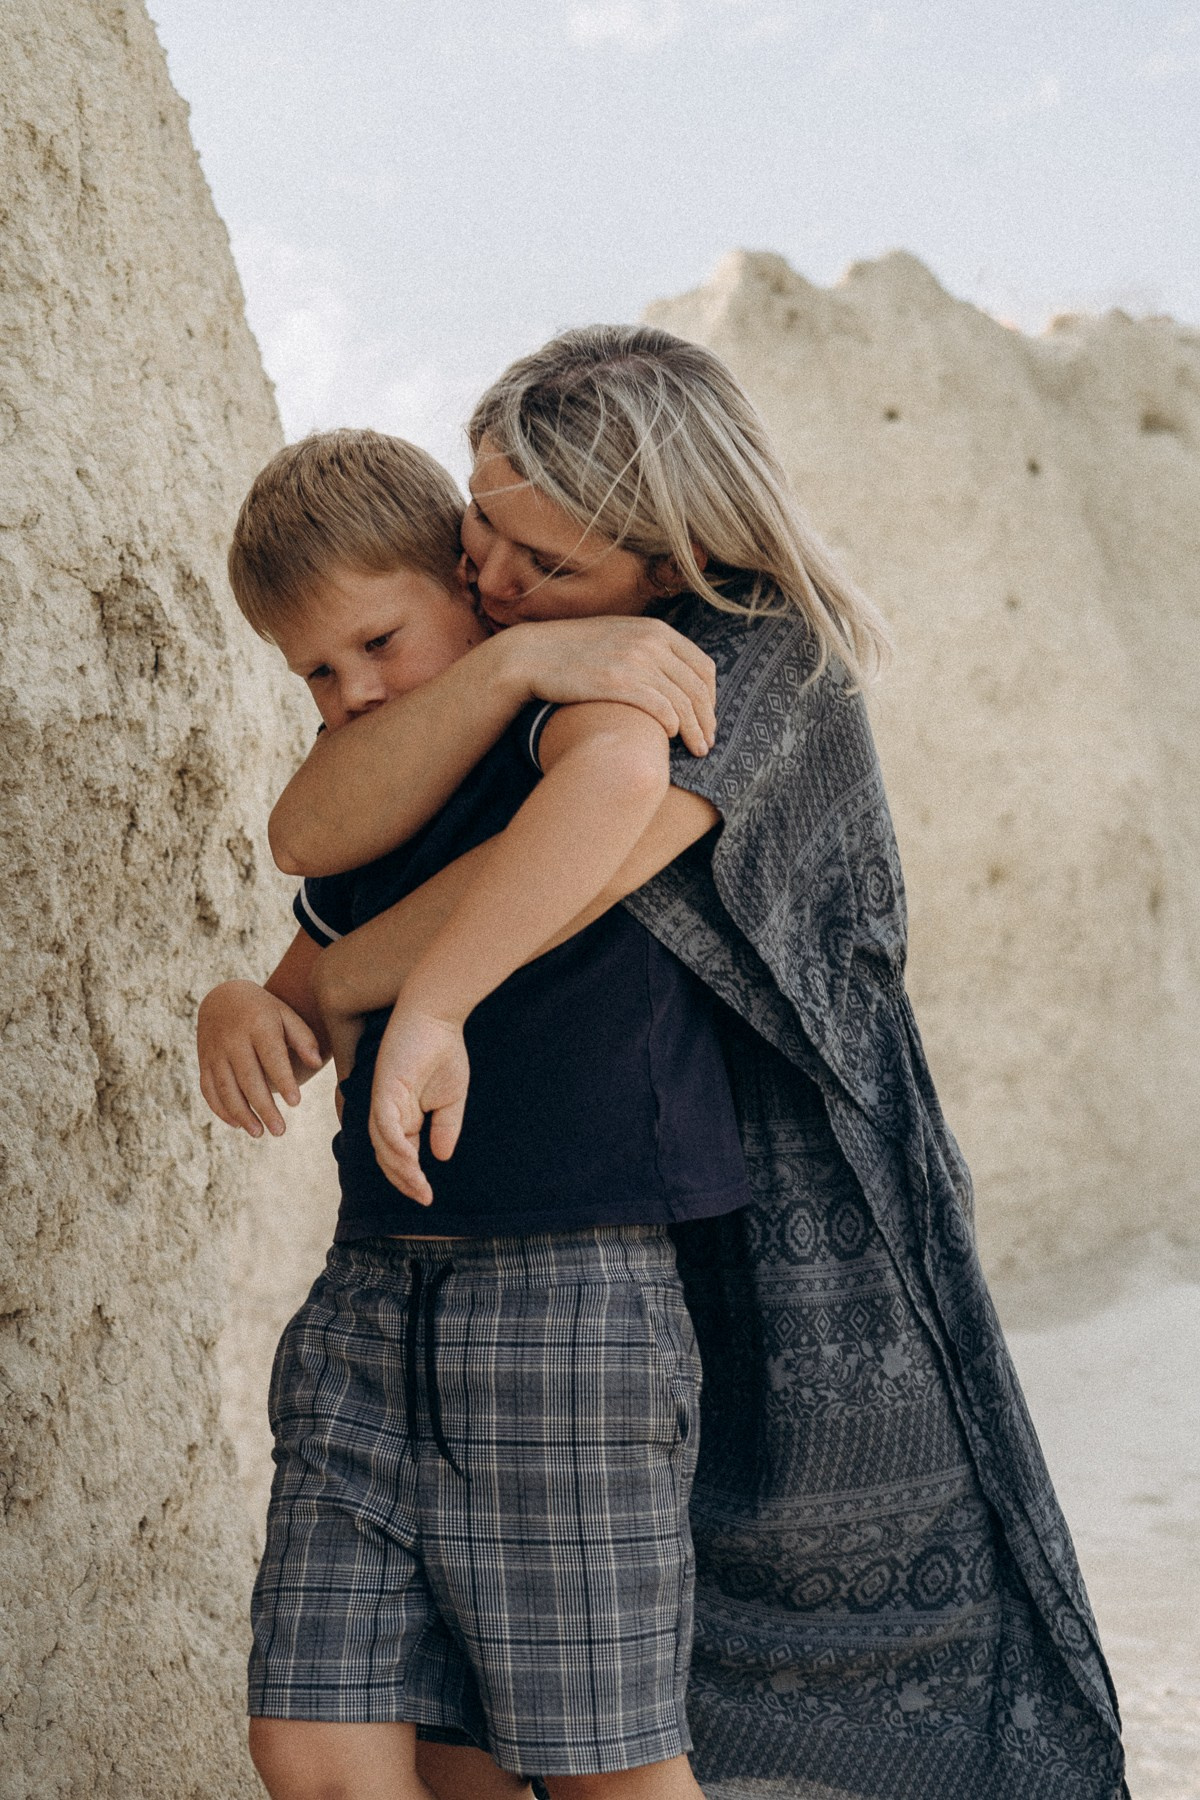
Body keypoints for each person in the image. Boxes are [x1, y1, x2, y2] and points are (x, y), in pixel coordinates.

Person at [272, 327, 1130, 1800]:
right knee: (494, 1674)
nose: (492, 575)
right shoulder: (532, 656)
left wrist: (354, 983)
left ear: (672, 554)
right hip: (569, 1201)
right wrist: (526, 652)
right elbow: (315, 834)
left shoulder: (760, 655)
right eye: (483, 525)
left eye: (545, 562)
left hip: (801, 1198)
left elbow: (588, 857)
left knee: (795, 1636)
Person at [199, 428, 756, 1800]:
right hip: (370, 1303)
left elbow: (625, 777)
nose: (352, 691)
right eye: (316, 672)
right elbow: (308, 967)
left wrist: (437, 1001)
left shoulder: (557, 717)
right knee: (325, 1743)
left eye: (378, 643)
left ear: (470, 576)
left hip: (569, 1294)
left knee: (605, 1766)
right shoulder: (378, 789)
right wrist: (236, 1004)